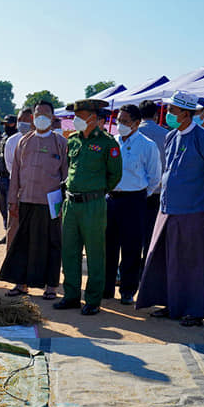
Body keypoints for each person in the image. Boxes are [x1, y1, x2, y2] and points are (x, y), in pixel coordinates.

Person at [136, 91, 204, 326]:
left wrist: (203, 196)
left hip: (194, 209)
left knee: (193, 262)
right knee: (166, 258)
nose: (169, 114)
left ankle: (194, 310)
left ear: (186, 113)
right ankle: (170, 303)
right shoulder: (171, 136)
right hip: (167, 208)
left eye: (173, 111)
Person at [53, 99, 122, 315]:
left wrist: (98, 191)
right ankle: (71, 296)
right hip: (71, 204)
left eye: (81, 117)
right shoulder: (72, 140)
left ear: (93, 118)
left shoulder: (107, 143)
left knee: (94, 253)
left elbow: (115, 175)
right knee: (70, 251)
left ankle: (93, 299)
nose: (76, 121)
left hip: (93, 204)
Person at [0, 100, 68, 299]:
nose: (41, 117)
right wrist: (12, 201)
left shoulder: (60, 143)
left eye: (45, 114)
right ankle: (21, 284)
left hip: (51, 204)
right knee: (22, 244)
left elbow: (65, 177)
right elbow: (16, 175)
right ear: (32, 117)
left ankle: (51, 287)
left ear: (53, 117)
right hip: (26, 200)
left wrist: (62, 204)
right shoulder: (24, 141)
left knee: (52, 244)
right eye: (38, 114)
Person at [104, 104, 161, 305]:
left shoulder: (147, 145)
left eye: (125, 121)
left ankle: (127, 290)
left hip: (134, 201)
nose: (121, 125)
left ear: (137, 123)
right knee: (108, 245)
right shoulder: (112, 142)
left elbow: (155, 177)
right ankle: (106, 288)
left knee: (131, 247)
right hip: (111, 199)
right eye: (119, 121)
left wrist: (140, 195)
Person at [137, 100, 170, 268]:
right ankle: (147, 267)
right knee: (151, 233)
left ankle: (127, 270)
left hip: (134, 192)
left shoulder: (134, 133)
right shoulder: (167, 134)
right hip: (159, 192)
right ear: (157, 116)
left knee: (133, 233)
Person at [4, 108, 34, 245]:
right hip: (18, 190)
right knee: (14, 228)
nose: (21, 123)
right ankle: (11, 262)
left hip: (38, 192)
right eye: (19, 120)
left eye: (25, 120)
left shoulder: (43, 140)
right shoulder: (11, 141)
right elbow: (10, 166)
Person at [0, 114, 17, 244]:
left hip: (10, 178)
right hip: (0, 177)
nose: (7, 126)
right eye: (5, 124)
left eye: (10, 124)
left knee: (10, 207)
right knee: (2, 207)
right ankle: (6, 232)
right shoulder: (3, 137)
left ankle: (12, 233)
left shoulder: (17, 138)